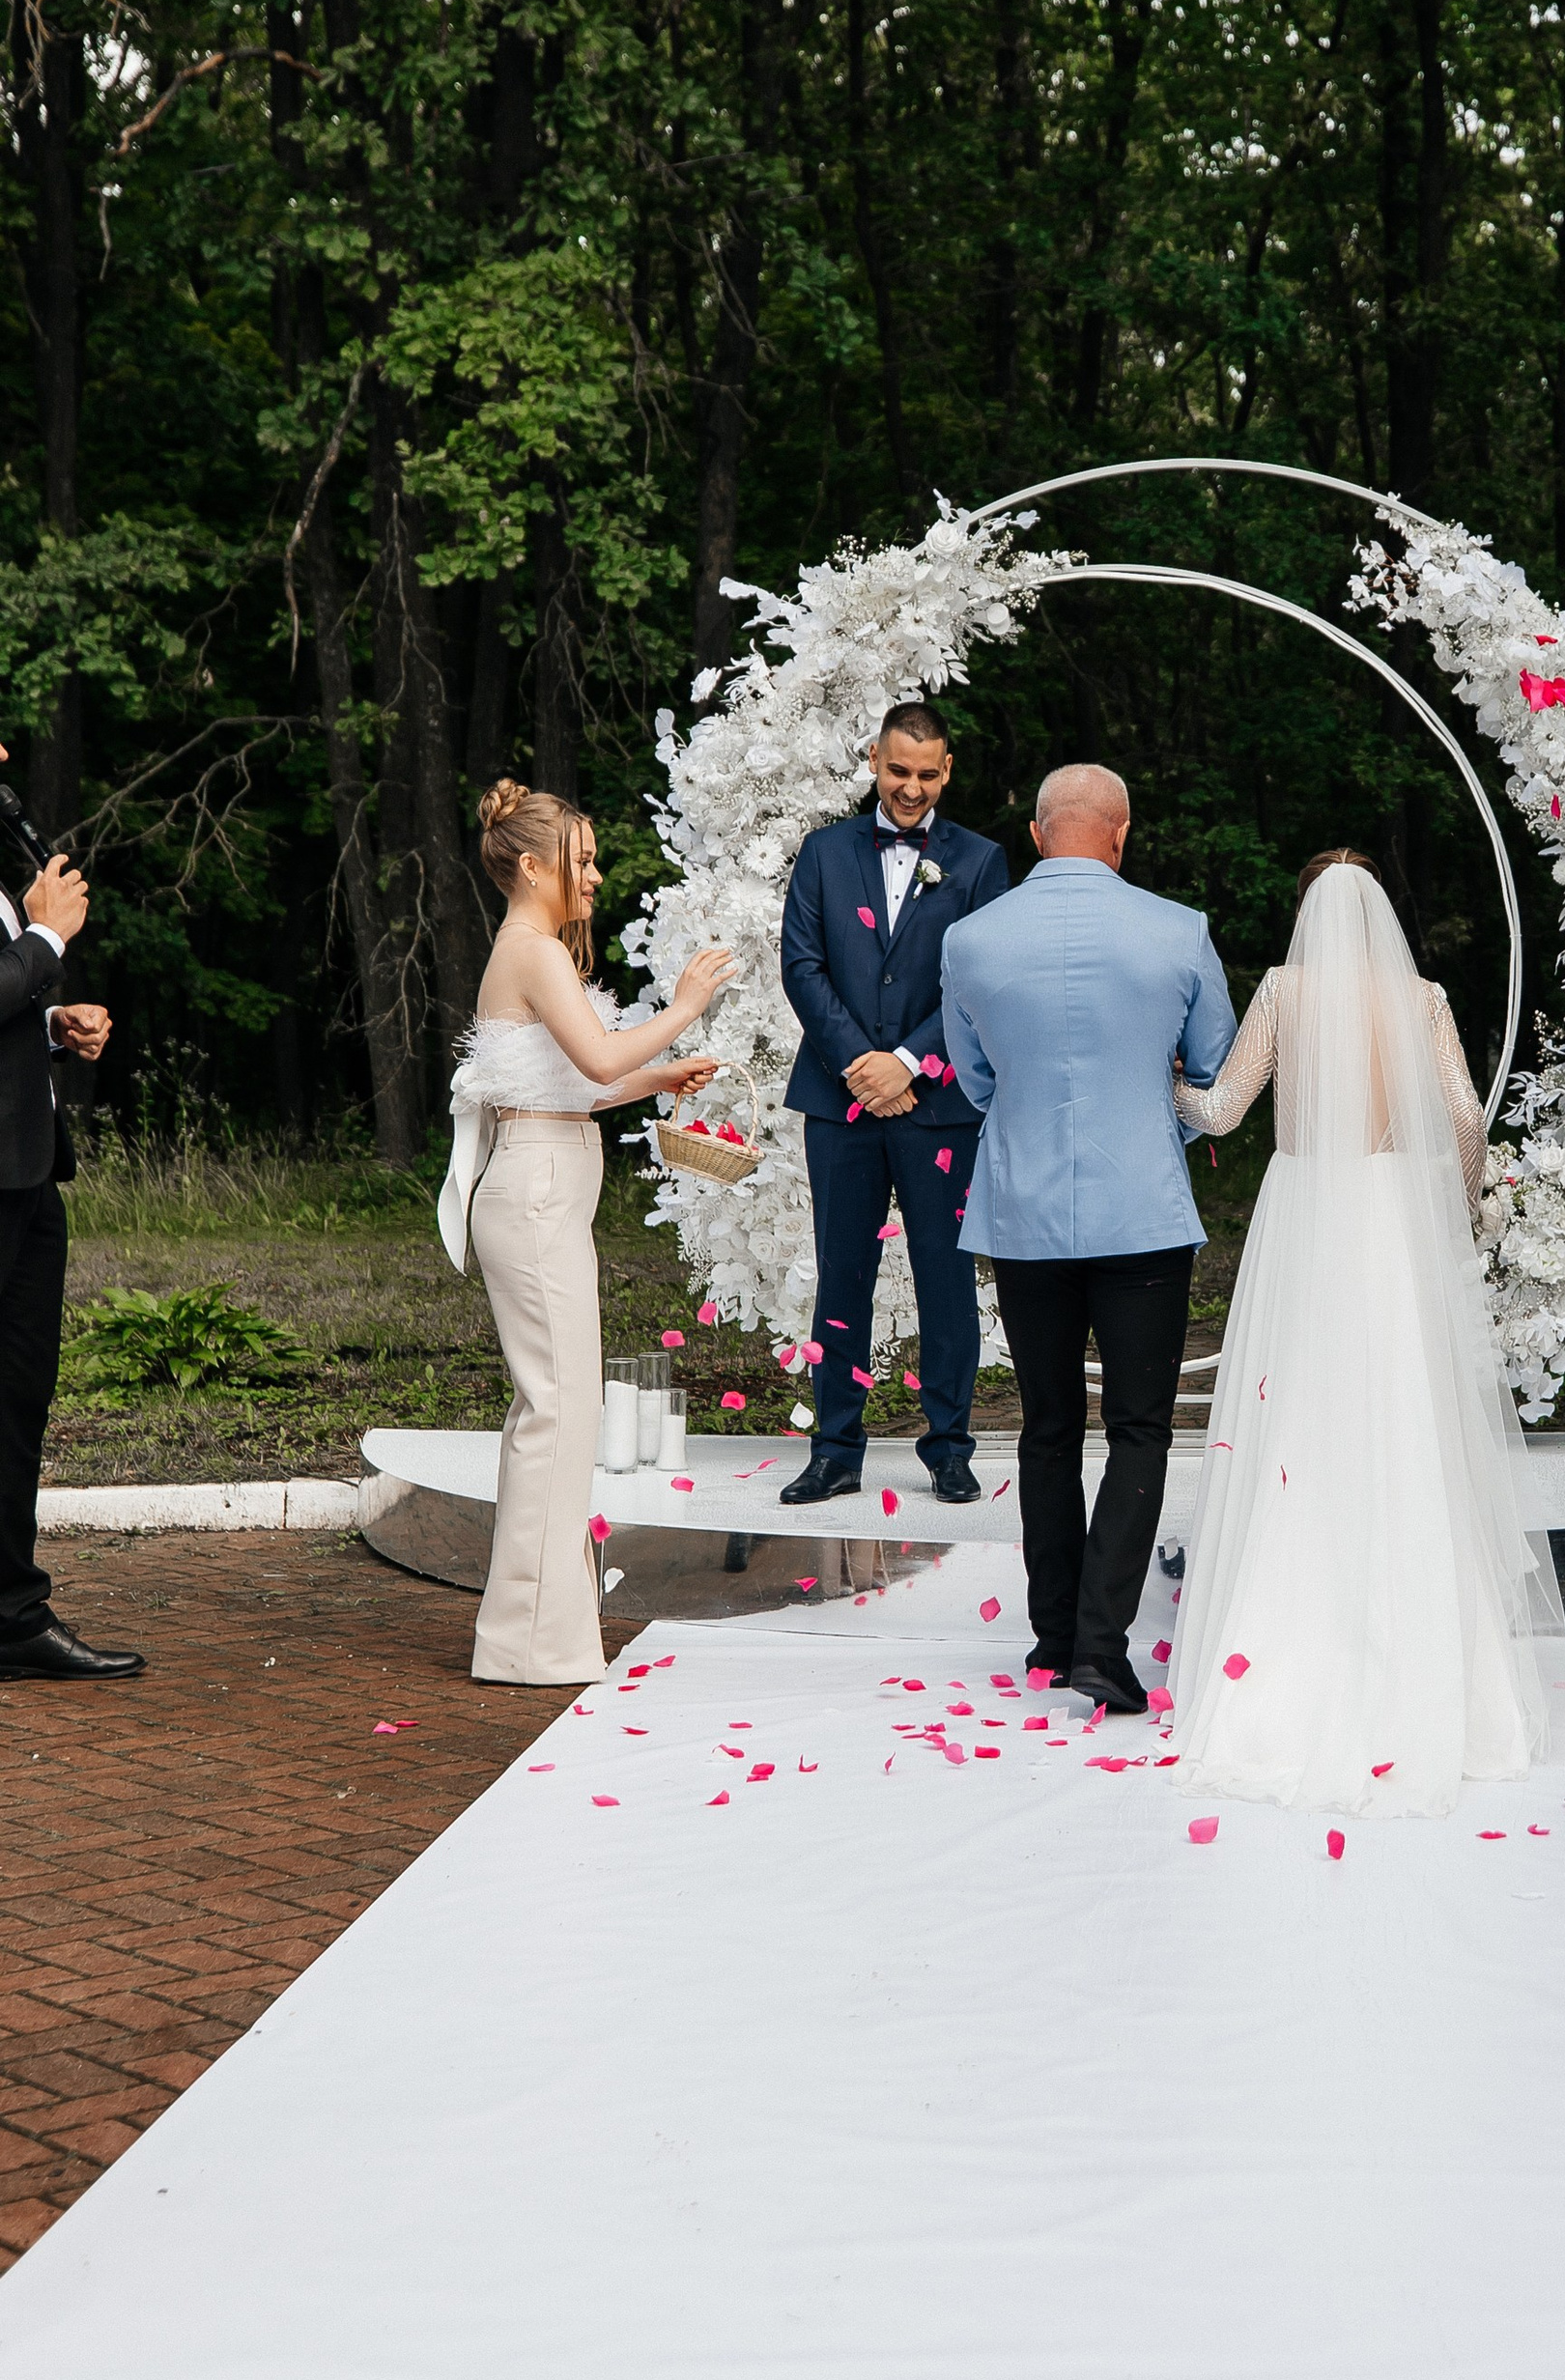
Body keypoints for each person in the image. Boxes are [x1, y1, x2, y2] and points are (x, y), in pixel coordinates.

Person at [1167, 854, 1565, 1815]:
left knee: (1301, 1416)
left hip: (1308, 1211)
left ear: (1307, 912)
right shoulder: (1420, 995)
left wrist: (1172, 1087)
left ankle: (1281, 1668)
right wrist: (1460, 1199)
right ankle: (1438, 1679)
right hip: (1391, 1218)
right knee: (1404, 1415)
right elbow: (1467, 1115)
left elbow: (1223, 1109)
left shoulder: (1283, 992)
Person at [940, 762, 1235, 1711]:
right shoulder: (1177, 931)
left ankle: (1054, 1635)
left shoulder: (971, 939)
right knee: (1139, 1428)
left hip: (1023, 1211)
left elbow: (974, 1077)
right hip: (1141, 1208)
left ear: (1036, 834)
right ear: (1120, 833)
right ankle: (1103, 1644)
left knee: (1046, 1429)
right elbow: (1213, 1078)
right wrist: (1161, 1130)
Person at [441, 783, 736, 1686]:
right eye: (585, 858)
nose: (597, 874)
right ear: (534, 867)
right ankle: (530, 1641)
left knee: (560, 1410)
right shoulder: (533, 951)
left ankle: (541, 1631)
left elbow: (586, 1085)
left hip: (545, 1184)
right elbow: (602, 1058)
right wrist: (684, 1005)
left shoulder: (532, 954)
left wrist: (663, 1077)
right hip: (532, 1195)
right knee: (560, 1410)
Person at [776, 702, 1009, 1509]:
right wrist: (861, 1065)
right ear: (873, 759)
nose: (911, 788)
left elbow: (980, 981)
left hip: (937, 1102)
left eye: (928, 774)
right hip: (841, 1101)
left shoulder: (980, 863)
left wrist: (908, 1060)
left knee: (946, 1277)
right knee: (843, 1271)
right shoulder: (824, 852)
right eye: (898, 770)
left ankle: (948, 1447)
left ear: (948, 770)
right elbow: (801, 966)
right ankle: (835, 1449)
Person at [0, 751, 137, 1683]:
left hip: (26, 1173)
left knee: (15, 1405)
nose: (5, 757)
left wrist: (53, 1024)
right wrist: (45, 943)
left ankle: (12, 1619)